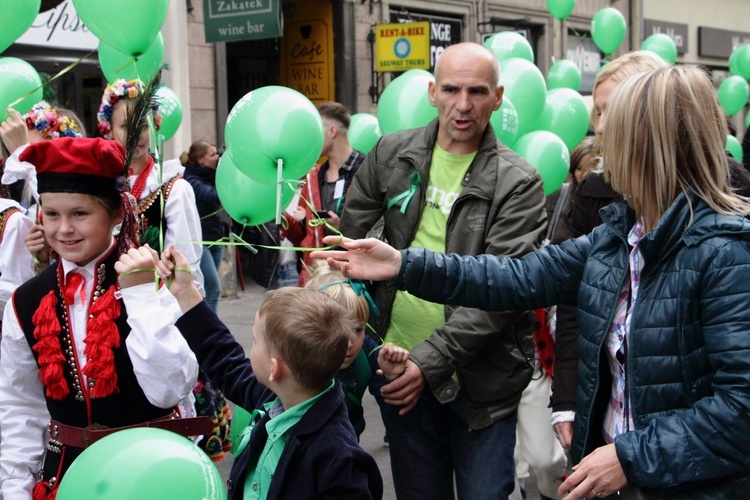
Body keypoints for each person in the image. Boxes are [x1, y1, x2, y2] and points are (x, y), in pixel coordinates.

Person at [314, 65, 750, 498]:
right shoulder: (621, 236)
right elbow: (517, 276)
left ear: (648, 148)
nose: (600, 149)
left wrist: (630, 456)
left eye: (611, 134)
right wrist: (404, 264)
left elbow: (740, 409)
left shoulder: (725, 254)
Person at [338, 42, 547, 499]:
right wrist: (370, 344)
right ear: (433, 92)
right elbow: (352, 249)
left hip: (483, 383)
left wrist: (427, 362)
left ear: (498, 96)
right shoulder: (391, 154)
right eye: (451, 89)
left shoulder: (519, 181)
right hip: (397, 370)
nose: (464, 104)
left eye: (478, 91)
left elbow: (504, 293)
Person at [551, 51, 750, 451]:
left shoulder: (727, 240)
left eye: (612, 113)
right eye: (599, 113)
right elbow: (541, 283)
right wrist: (570, 399)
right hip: (617, 437)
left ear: (655, 125)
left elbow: (736, 403)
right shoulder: (616, 218)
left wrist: (631, 457)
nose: (600, 129)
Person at [0, 137, 202, 499]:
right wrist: (15, 488)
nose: (63, 229)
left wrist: (140, 294)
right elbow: (20, 405)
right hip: (69, 476)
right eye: (52, 214)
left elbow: (171, 387)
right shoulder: (26, 300)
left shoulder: (152, 283)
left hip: (151, 472)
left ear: (117, 214)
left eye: (80, 214)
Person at [155, 245, 384, 499]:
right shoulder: (277, 396)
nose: (249, 350)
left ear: (275, 368)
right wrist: (185, 291)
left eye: (255, 342)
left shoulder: (339, 459)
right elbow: (224, 358)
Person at [97, 78, 204, 291]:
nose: (137, 134)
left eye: (143, 125)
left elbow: (186, 267)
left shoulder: (173, 189)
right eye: (127, 126)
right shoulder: (101, 184)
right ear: (108, 130)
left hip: (158, 306)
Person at [305, 260, 409, 437]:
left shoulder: (369, 353)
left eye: (357, 329)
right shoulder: (295, 357)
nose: (349, 343)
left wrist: (393, 379)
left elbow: (401, 422)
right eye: (336, 331)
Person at [283, 101, 365, 285]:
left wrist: (340, 226)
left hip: (354, 278)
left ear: (332, 131)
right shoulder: (313, 177)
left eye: (315, 134)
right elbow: (301, 237)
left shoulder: (366, 170)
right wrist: (284, 217)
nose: (310, 141)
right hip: (315, 278)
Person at [182, 140, 224, 311]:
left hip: (216, 238)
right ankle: (209, 332)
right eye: (212, 154)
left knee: (208, 288)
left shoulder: (212, 175)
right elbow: (212, 196)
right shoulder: (191, 178)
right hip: (201, 242)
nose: (217, 157)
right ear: (200, 159)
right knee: (213, 289)